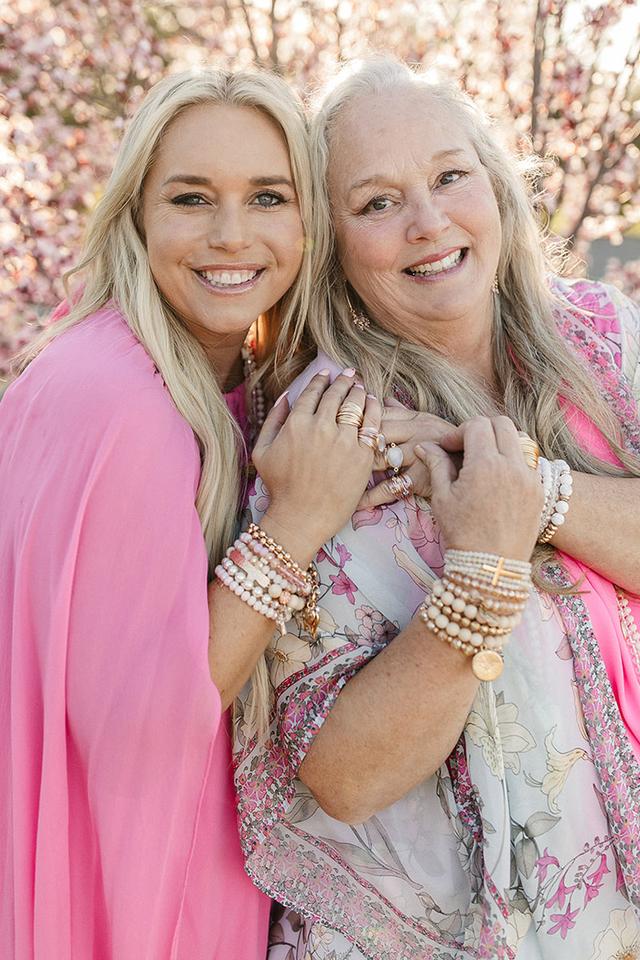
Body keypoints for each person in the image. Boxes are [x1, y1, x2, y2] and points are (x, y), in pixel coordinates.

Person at [234, 58, 640, 959]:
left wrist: (534, 494)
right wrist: (481, 576)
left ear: (495, 182)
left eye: (450, 176)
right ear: (330, 243)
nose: (429, 223)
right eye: (376, 203)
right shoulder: (336, 437)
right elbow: (345, 775)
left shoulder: (606, 342)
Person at [0, 68, 383, 959]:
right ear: (137, 213)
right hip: (131, 886)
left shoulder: (186, 377)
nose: (231, 235)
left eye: (267, 197)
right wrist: (293, 527)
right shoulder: (118, 402)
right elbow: (139, 725)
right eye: (191, 198)